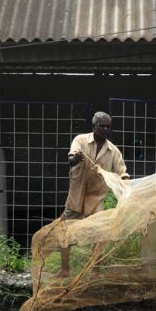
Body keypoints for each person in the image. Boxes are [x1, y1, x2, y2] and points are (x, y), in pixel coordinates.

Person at [58, 111, 130, 276]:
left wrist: (127, 186)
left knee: (99, 233)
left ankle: (95, 270)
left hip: (96, 198)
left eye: (107, 127)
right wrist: (75, 159)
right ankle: (64, 269)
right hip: (76, 195)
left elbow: (122, 173)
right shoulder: (80, 140)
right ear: (94, 126)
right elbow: (71, 158)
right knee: (65, 232)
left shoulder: (113, 151)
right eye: (101, 126)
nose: (105, 129)